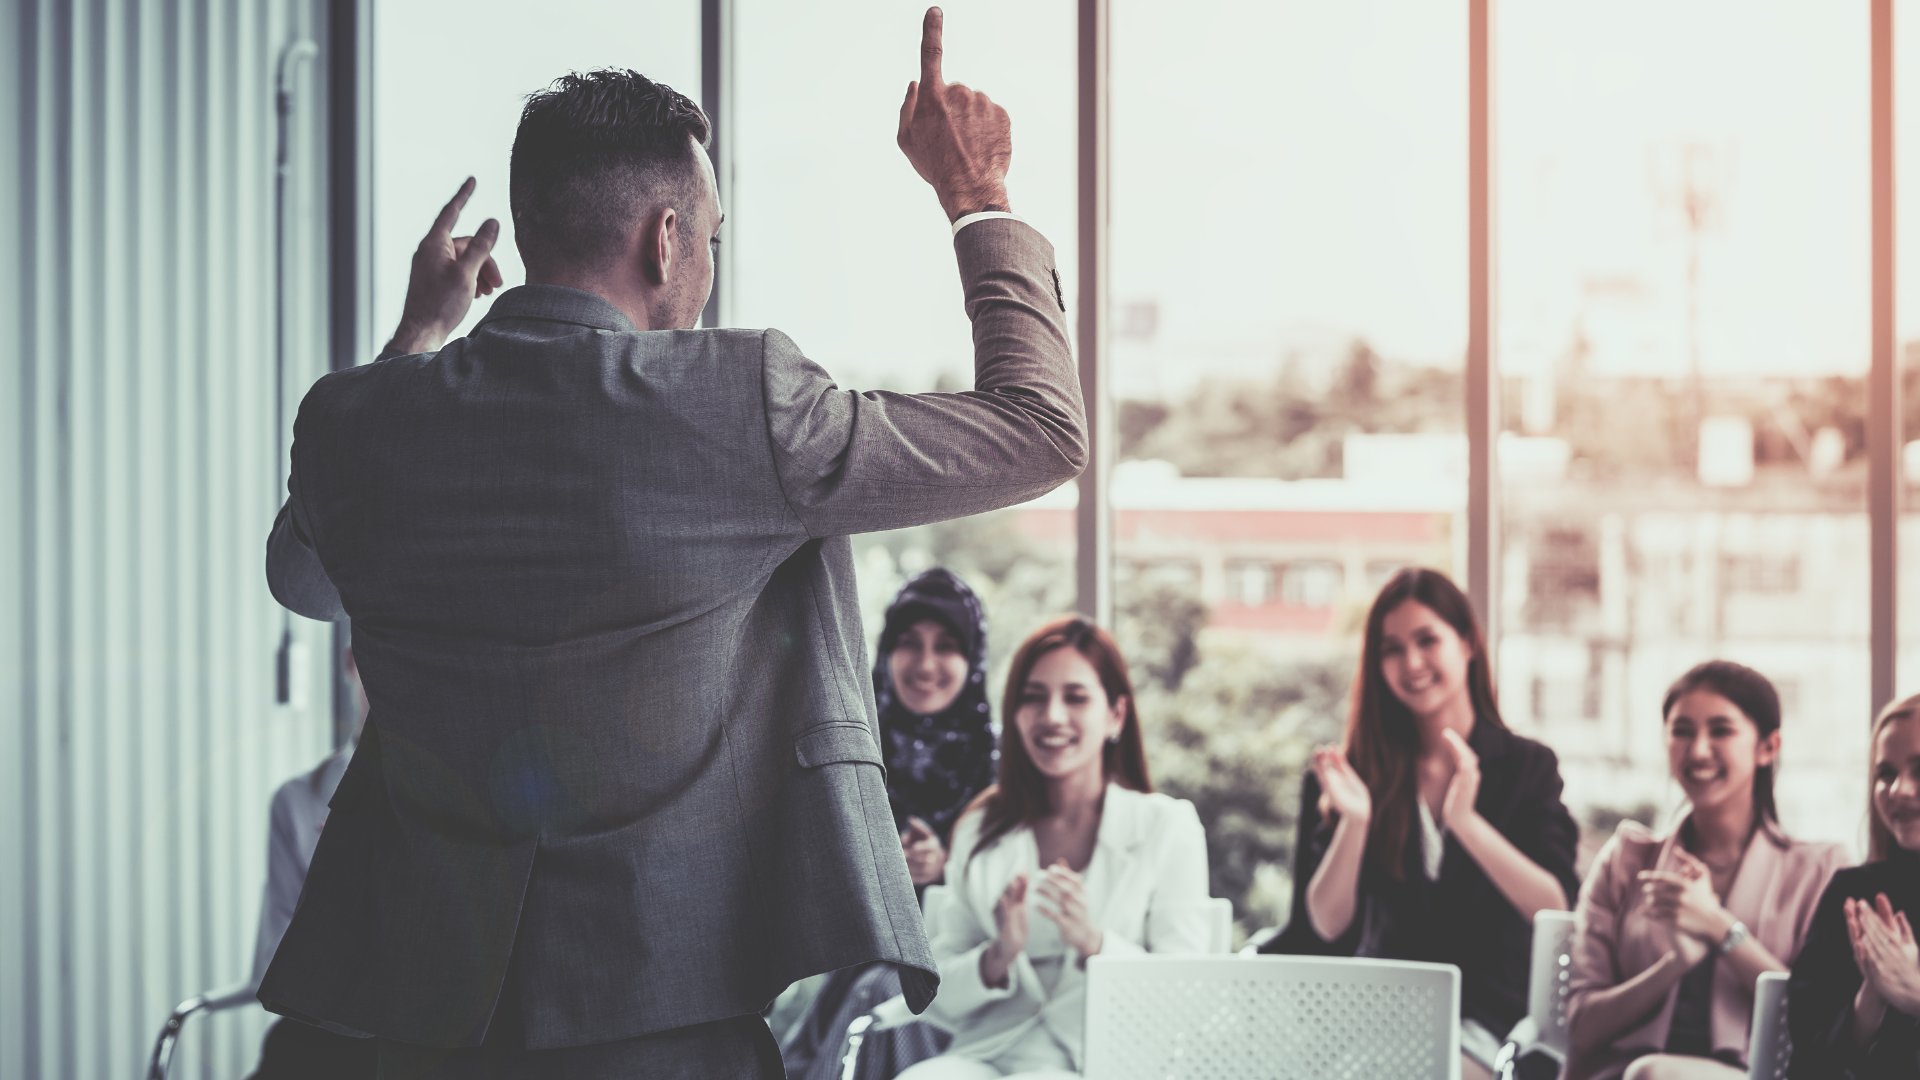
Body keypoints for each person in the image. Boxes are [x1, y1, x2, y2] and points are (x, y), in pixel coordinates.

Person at [258, 8, 1086, 1076]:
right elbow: (1041, 430)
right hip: (662, 1004)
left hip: (410, 1016)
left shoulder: (357, 421)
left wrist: (415, 340)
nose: (708, 264)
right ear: (665, 236)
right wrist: (977, 197)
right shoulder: (736, 403)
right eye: (712, 236)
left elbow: (306, 580)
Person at [1266, 567, 1580, 1080]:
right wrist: (1356, 823)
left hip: (1488, 1019)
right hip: (1375, 1014)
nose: (1411, 662)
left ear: (1467, 645)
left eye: (1427, 640)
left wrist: (1466, 823)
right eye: (1391, 648)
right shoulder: (1351, 775)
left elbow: (1552, 906)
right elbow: (1324, 924)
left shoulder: (1527, 767)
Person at [903, 617, 1213, 1080]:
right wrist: (998, 955)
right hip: (984, 1055)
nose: (1051, 715)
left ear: (1115, 715)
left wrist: (1095, 943)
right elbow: (937, 996)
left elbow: (1185, 1000)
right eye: (1033, 696)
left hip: (1103, 1063)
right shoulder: (981, 829)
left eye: (1076, 696)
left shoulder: (1166, 827)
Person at [1564, 661, 1845, 1080]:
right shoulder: (1626, 861)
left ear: (1768, 747)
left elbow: (1823, 1017)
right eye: (1681, 731)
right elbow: (1583, 1026)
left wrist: (1721, 929)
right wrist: (1672, 965)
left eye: (1721, 730)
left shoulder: (1820, 869)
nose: (1697, 749)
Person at [779, 567, 995, 1079]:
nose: (925, 663)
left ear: (973, 659)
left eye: (946, 646)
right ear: (884, 651)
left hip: (974, 979)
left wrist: (948, 868)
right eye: (908, 643)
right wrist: (873, 865)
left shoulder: (1002, 767)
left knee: (889, 999)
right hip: (845, 968)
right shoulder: (849, 752)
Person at [245, 649, 375, 1080]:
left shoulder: (456, 800)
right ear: (351, 664)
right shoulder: (299, 801)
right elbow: (275, 967)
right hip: (325, 1033)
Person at [1788, 693, 1920, 1079]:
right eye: (1886, 774)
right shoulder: (1853, 894)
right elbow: (1811, 1059)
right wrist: (1874, 993)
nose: (1899, 790)